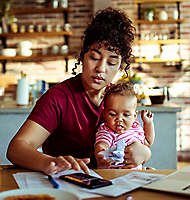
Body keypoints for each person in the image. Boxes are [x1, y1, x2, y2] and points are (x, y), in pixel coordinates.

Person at [7, 7, 151, 175]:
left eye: (112, 62)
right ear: (83, 55)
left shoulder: (120, 98)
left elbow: (136, 140)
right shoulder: (58, 98)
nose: (101, 68)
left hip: (113, 182)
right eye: (94, 58)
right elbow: (16, 149)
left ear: (121, 65)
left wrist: (145, 154)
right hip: (66, 182)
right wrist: (49, 162)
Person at [95, 81, 155, 169]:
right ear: (104, 114)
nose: (119, 119)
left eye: (126, 115)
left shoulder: (135, 128)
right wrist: (101, 153)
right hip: (116, 172)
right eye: (112, 114)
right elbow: (102, 143)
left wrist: (148, 123)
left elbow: (148, 142)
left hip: (136, 173)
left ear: (134, 116)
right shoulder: (107, 130)